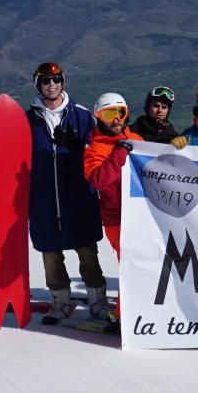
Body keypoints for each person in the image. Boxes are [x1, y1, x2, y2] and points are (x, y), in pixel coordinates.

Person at [26, 62, 109, 325]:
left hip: (78, 196)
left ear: (63, 81)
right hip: (44, 197)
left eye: (56, 79)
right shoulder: (28, 119)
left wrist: (78, 148)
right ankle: (60, 302)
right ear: (38, 85)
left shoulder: (82, 116)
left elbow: (101, 148)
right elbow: (13, 156)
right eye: (46, 80)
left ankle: (98, 302)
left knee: (87, 251)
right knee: (50, 253)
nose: (52, 85)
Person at [83, 93, 144, 265]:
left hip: (142, 214)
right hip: (116, 217)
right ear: (99, 118)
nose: (116, 119)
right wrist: (119, 152)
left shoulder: (137, 140)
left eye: (120, 112)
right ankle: (126, 294)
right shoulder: (95, 149)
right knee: (129, 263)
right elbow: (99, 180)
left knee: (147, 263)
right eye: (109, 114)